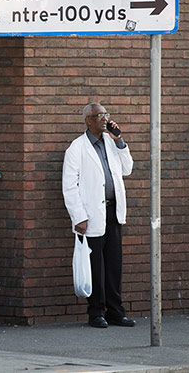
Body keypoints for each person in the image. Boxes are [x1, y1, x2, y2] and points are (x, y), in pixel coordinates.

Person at [62, 102, 136, 328]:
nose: (105, 119)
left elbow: (127, 169)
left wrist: (120, 140)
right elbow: (69, 186)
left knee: (114, 264)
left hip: (113, 211)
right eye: (100, 115)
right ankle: (96, 313)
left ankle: (115, 311)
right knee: (95, 265)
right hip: (91, 215)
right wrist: (79, 217)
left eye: (106, 115)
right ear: (88, 120)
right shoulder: (77, 148)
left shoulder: (112, 144)